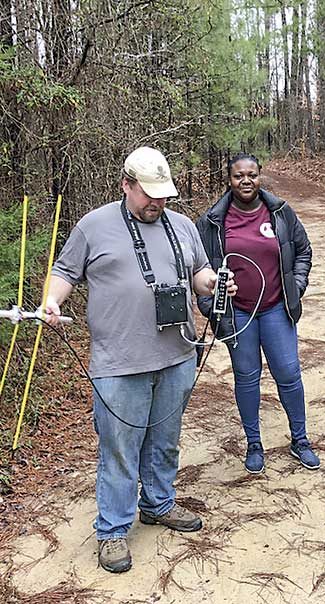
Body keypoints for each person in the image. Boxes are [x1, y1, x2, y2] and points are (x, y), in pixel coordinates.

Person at [44, 147, 235, 574]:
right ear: (126, 184)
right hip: (119, 361)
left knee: (165, 441)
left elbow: (200, 273)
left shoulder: (183, 225)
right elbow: (65, 271)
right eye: (148, 195)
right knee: (119, 449)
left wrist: (216, 283)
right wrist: (52, 302)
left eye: (163, 196)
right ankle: (112, 531)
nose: (157, 203)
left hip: (177, 356)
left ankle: (159, 503)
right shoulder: (94, 226)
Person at [196, 152, 319, 474]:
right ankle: (254, 443)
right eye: (239, 175)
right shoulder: (213, 221)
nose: (246, 181)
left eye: (251, 174)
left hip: (277, 309)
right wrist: (213, 308)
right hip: (239, 314)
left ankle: (301, 440)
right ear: (229, 179)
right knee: (247, 378)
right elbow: (198, 269)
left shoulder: (279, 212)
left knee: (289, 375)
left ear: (260, 176)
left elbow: (303, 250)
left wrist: (297, 285)